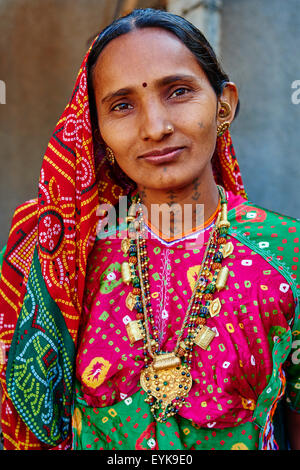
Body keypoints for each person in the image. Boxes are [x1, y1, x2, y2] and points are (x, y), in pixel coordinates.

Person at [0, 8, 299, 451]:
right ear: (97, 130)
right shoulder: (68, 260)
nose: (155, 128)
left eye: (178, 92)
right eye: (121, 105)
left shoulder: (287, 256)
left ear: (224, 105)